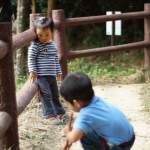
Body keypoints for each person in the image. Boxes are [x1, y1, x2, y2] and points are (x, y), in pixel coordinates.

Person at [60, 72, 135, 150]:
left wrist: (68, 133)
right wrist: (72, 133)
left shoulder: (85, 114)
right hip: (130, 138)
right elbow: (80, 124)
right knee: (83, 129)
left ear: (76, 103)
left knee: (84, 135)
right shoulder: (96, 100)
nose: (68, 106)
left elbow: (73, 138)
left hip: (119, 146)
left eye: (68, 103)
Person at [28, 16, 66, 125]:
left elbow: (55, 59)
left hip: (51, 75)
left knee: (55, 94)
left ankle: (58, 111)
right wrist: (32, 71)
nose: (43, 38)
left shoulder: (53, 45)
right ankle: (49, 115)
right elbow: (31, 58)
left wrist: (58, 71)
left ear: (52, 31)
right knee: (47, 95)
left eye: (47, 35)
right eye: (40, 35)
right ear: (35, 33)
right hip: (41, 76)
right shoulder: (35, 46)